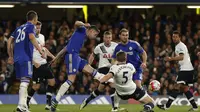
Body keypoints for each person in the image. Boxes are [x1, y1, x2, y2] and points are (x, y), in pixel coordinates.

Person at [50, 21, 104, 112]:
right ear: (90, 31)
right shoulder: (82, 29)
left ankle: (109, 79)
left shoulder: (81, 37)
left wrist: (56, 57)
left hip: (76, 57)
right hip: (72, 55)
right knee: (71, 79)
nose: (94, 37)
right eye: (95, 34)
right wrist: (84, 24)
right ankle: (56, 100)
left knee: (92, 70)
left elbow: (66, 47)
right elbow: (76, 23)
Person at [7, 10, 45, 112]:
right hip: (25, 58)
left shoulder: (19, 28)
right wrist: (40, 50)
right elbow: (31, 37)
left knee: (24, 81)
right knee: (25, 81)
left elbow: (10, 40)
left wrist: (10, 55)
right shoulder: (31, 26)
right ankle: (21, 106)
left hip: (17, 58)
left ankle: (22, 105)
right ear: (35, 19)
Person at [157, 31, 198, 111]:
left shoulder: (180, 46)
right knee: (185, 89)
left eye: (176, 37)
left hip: (185, 69)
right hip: (188, 69)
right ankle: (195, 107)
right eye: (173, 37)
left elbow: (181, 57)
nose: (174, 38)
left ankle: (167, 106)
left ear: (179, 37)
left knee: (176, 86)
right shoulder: (178, 46)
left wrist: (171, 59)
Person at [80, 31, 118, 111]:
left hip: (112, 69)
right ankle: (114, 108)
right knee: (112, 85)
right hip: (102, 69)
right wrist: (88, 64)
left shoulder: (116, 46)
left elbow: (120, 56)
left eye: (109, 38)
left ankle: (87, 101)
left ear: (111, 38)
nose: (108, 39)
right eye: (106, 38)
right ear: (103, 38)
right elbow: (93, 55)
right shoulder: (99, 47)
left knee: (100, 89)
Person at [111, 28, 147, 109]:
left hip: (137, 69)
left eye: (127, 35)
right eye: (123, 35)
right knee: (118, 87)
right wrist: (114, 65)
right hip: (125, 70)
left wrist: (144, 62)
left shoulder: (134, 44)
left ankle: (147, 101)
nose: (125, 37)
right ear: (120, 36)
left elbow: (143, 53)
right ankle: (115, 107)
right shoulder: (118, 47)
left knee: (138, 85)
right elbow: (114, 58)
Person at [26, 21, 56, 110]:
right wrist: (34, 63)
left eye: (39, 28)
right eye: (36, 28)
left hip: (44, 63)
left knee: (52, 82)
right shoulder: (30, 38)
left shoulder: (42, 37)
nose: (38, 29)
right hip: (37, 65)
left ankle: (48, 103)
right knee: (36, 87)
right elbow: (27, 53)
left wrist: (52, 56)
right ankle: (26, 102)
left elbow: (44, 49)